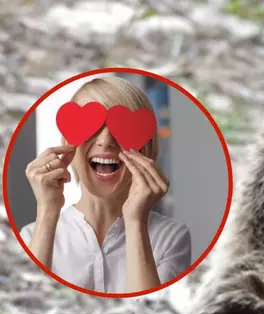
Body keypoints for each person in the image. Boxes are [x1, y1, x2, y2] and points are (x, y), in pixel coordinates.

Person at [20, 75, 192, 294]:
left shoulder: (171, 237)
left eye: (121, 128)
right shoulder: (31, 237)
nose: (105, 140)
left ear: (144, 149)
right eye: (92, 126)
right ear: (67, 144)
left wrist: (136, 221)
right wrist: (46, 211)